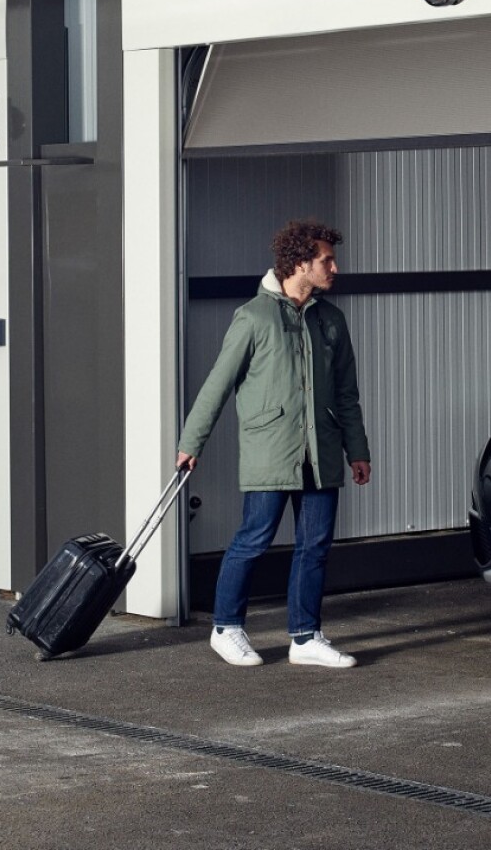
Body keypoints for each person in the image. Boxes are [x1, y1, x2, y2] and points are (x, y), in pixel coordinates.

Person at [176, 219, 372, 668]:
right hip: (271, 451)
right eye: (326, 260)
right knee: (254, 538)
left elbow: (346, 394)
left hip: (321, 451)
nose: (335, 268)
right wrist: (192, 442)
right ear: (301, 263)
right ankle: (226, 628)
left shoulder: (331, 320)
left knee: (315, 545)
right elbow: (217, 385)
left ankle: (305, 637)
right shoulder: (253, 317)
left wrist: (357, 450)